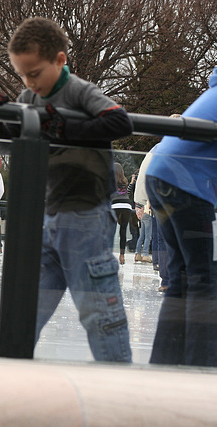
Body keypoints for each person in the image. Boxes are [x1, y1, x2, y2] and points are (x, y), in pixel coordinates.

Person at [0, 17, 133, 362]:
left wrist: (64, 126)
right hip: (47, 219)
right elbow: (13, 146)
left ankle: (121, 391)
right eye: (22, 74)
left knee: (100, 314)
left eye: (34, 73)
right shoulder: (26, 96)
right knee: (23, 309)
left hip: (87, 216)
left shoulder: (80, 91)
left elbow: (119, 121)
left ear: (60, 60)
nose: (28, 82)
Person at [145, 65, 217, 367]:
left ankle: (165, 364)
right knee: (205, 277)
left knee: (182, 277)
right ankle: (200, 369)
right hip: (189, 184)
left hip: (159, 175)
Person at [111, 162, 132, 265]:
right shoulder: (125, 181)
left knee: (112, 230)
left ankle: (109, 254)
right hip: (126, 206)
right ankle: (122, 256)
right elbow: (126, 193)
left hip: (115, 205)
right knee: (123, 231)